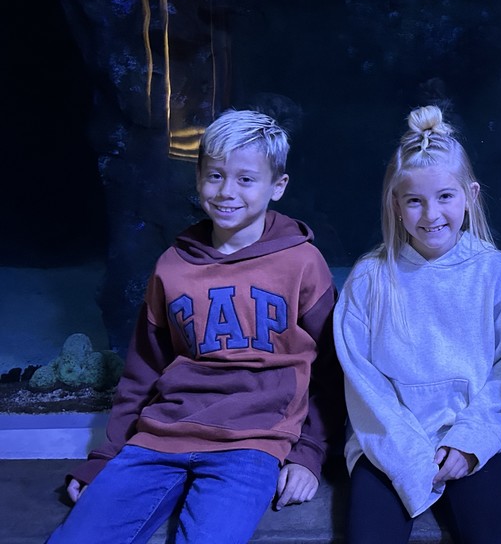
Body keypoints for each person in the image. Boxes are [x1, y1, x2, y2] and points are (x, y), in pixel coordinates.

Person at [47, 109, 343, 544]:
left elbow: (333, 371)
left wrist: (309, 453)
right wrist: (107, 455)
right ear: (199, 178)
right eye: (215, 175)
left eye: (246, 179)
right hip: (159, 438)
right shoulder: (172, 264)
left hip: (252, 444)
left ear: (277, 186)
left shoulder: (303, 263)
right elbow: (143, 370)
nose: (227, 192)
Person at [333, 105, 501, 544]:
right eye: (414, 200)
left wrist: (468, 443)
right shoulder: (369, 278)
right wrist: (408, 458)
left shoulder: (496, 274)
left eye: (445, 196)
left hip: (465, 439)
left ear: (470, 195)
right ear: (395, 206)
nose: (430, 214)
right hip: (386, 445)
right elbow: (364, 384)